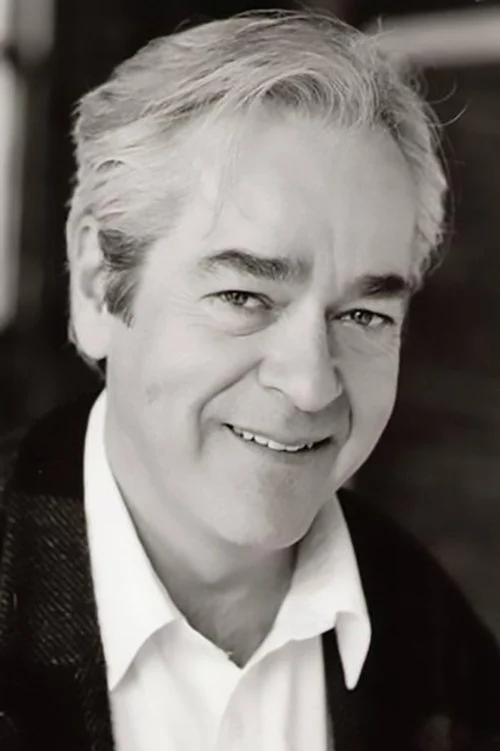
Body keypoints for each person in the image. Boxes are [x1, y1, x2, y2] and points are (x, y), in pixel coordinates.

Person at [0, 10, 499, 751]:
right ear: (98, 284)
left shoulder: (450, 658)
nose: (310, 385)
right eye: (244, 296)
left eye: (364, 314)